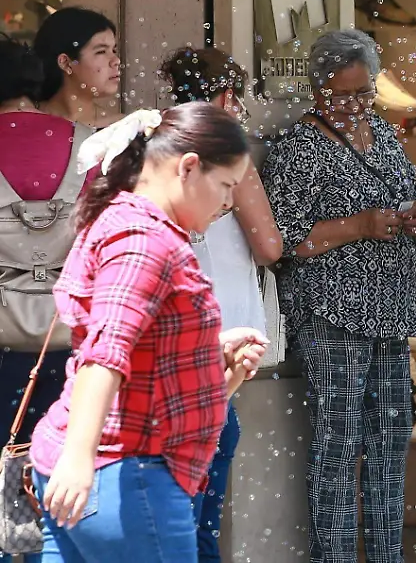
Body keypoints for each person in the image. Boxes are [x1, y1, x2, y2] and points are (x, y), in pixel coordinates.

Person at [29, 103, 269, 562]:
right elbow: (106, 353)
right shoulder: (144, 241)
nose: (226, 203)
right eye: (224, 187)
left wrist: (216, 358)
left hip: (100, 469)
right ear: (189, 167)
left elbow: (138, 348)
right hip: (123, 473)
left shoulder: (120, 220)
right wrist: (80, 461)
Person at [261, 29, 416, 563]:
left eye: (365, 93)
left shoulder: (382, 135)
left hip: (389, 309)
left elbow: (415, 190)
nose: (355, 105)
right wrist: (358, 225)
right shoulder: (298, 148)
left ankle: (386, 554)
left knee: (389, 441)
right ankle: (333, 556)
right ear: (318, 90)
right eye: (342, 95)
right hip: (331, 312)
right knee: (338, 444)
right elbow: (284, 240)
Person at [160, 46, 283, 562]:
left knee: (172, 505)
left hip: (169, 344)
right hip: (220, 340)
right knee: (201, 513)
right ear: (227, 97)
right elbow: (270, 246)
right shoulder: (231, 159)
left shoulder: (155, 155)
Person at [0, 35, 96, 563]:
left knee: (0, 481)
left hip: (2, 345)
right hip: (73, 341)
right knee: (64, 477)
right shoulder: (93, 146)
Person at [32, 7, 122, 129]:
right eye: (101, 52)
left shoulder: (120, 128)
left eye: (113, 50)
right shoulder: (25, 122)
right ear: (66, 63)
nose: (116, 61)